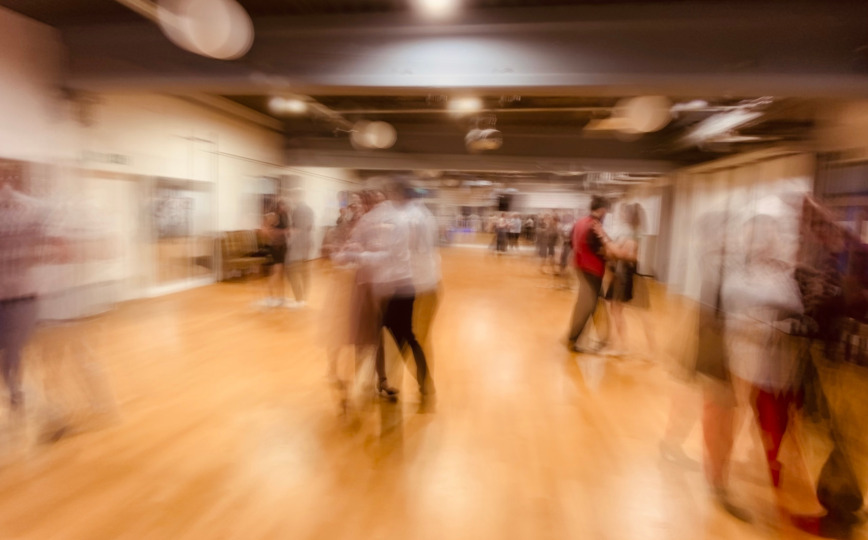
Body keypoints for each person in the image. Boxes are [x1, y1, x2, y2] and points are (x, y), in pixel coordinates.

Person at [566, 196, 631, 353]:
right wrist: (611, 253)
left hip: (581, 267)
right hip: (591, 270)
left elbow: (570, 242)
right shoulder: (594, 226)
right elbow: (604, 250)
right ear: (602, 210)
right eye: (606, 211)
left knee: (594, 303)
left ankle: (601, 338)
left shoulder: (580, 222)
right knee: (588, 304)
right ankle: (576, 340)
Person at [286, 188, 314, 308]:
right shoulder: (309, 210)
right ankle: (303, 298)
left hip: (298, 244)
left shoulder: (297, 210)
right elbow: (309, 227)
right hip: (306, 243)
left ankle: (299, 299)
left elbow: (297, 229)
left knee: (292, 271)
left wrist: (289, 233)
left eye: (293, 196)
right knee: (304, 272)